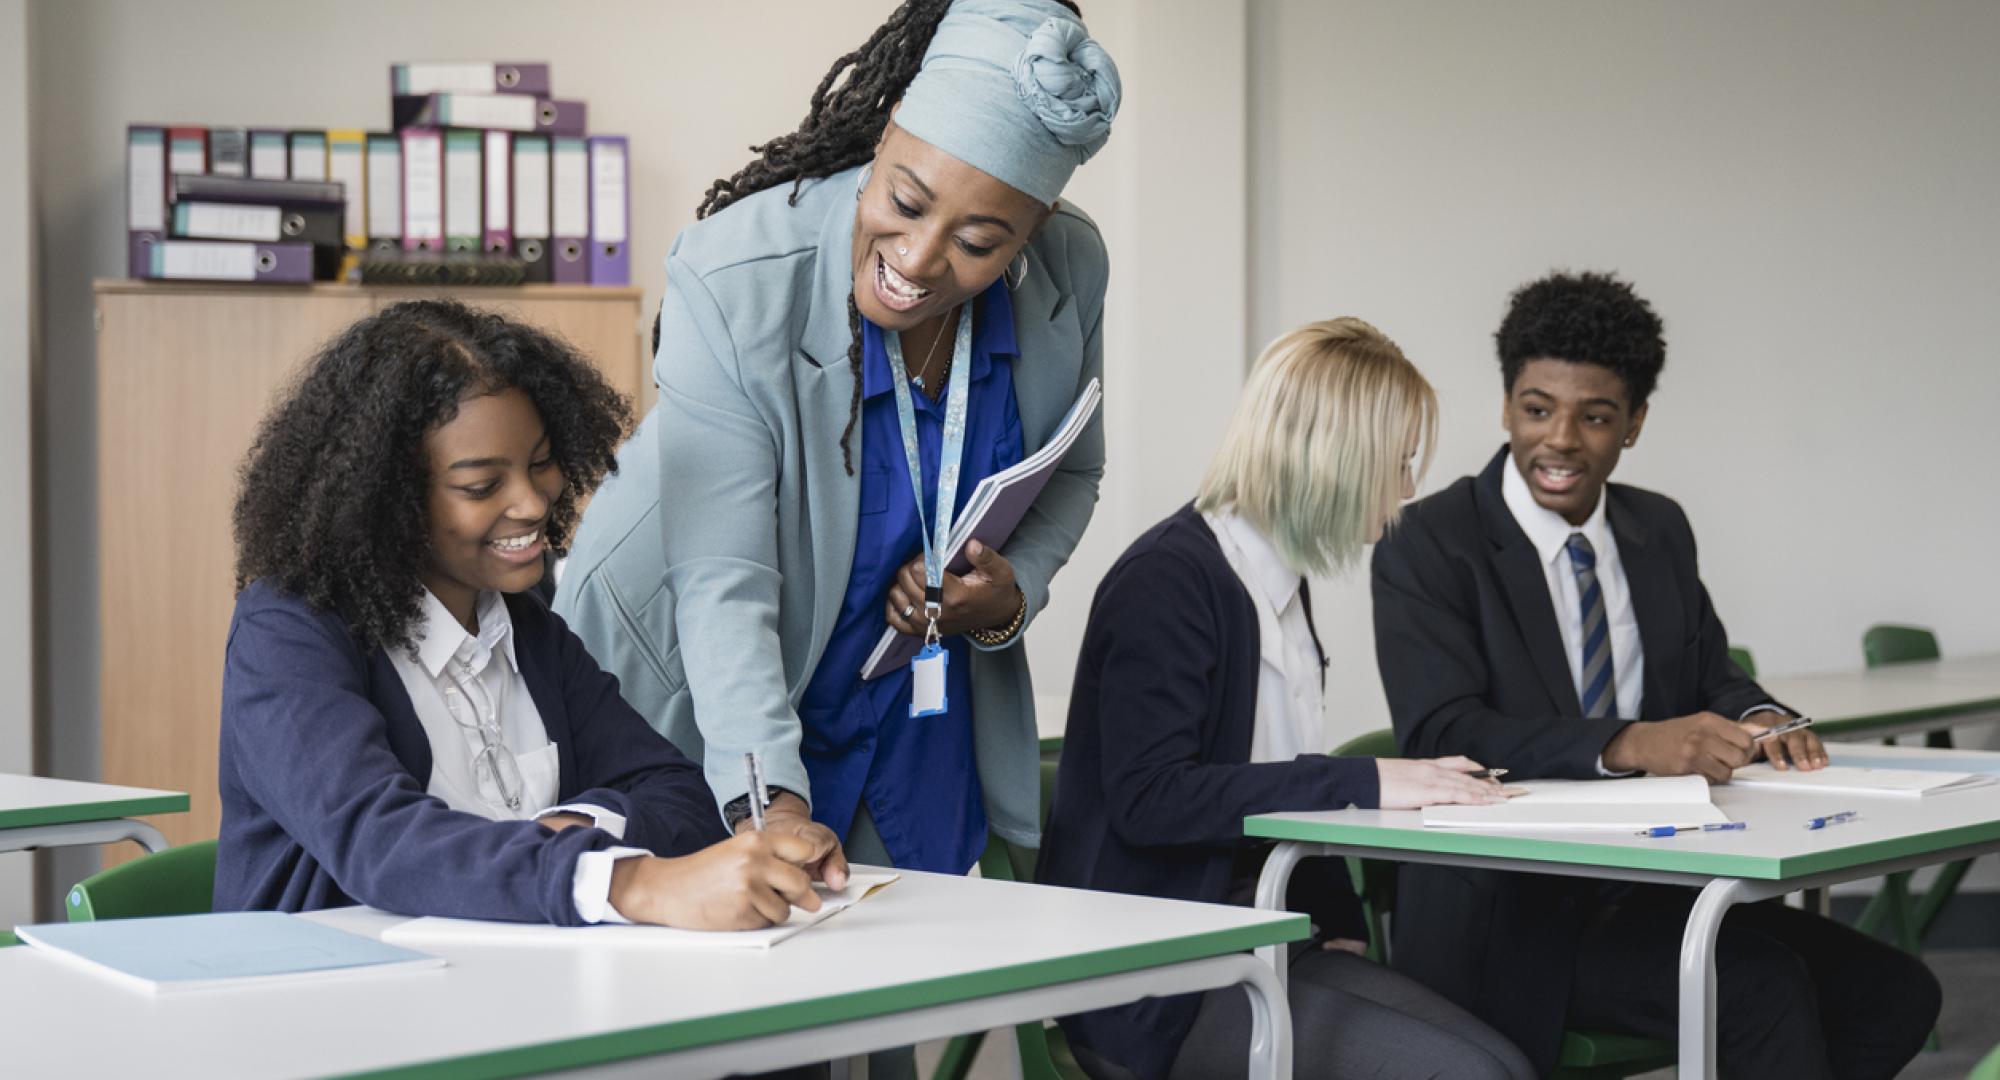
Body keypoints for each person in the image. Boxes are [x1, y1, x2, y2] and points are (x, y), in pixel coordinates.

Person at [555, 0, 1119, 884]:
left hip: (903, 705)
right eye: (904, 200)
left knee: (886, 983)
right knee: (713, 998)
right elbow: (722, 581)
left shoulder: (1068, 270)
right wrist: (769, 800)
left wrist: (1007, 598)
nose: (921, 258)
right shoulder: (737, 272)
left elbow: (1073, 472)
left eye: (977, 242)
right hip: (693, 682)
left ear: (1032, 232)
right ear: (886, 133)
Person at [1370, 271, 1941, 1077]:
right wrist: (1632, 742)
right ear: (1506, 407)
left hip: (1662, 883)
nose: (1561, 439)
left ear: (1634, 424)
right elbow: (1442, 732)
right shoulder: (1430, 543)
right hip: (1516, 912)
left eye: (1595, 416)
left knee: (1896, 990)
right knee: (1763, 991)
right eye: (1537, 409)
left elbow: (1715, 678)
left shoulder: (1657, 528)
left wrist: (1766, 719)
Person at [216, 300, 830, 930]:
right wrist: (628, 880)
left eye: (540, 463)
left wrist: (578, 825)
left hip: (505, 990)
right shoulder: (289, 630)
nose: (533, 501)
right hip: (325, 1002)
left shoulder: (526, 623)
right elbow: (380, 842)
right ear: (388, 500)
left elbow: (677, 792)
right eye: (482, 486)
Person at [1038, 318, 1535, 1080]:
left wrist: (1338, 917)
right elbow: (1151, 798)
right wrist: (1366, 778)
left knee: (1509, 1061)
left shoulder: (1279, 580)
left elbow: (1277, 774)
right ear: (1332, 460)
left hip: (1263, 940)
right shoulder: (1168, 583)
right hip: (1153, 982)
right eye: (1396, 465)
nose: (1408, 491)